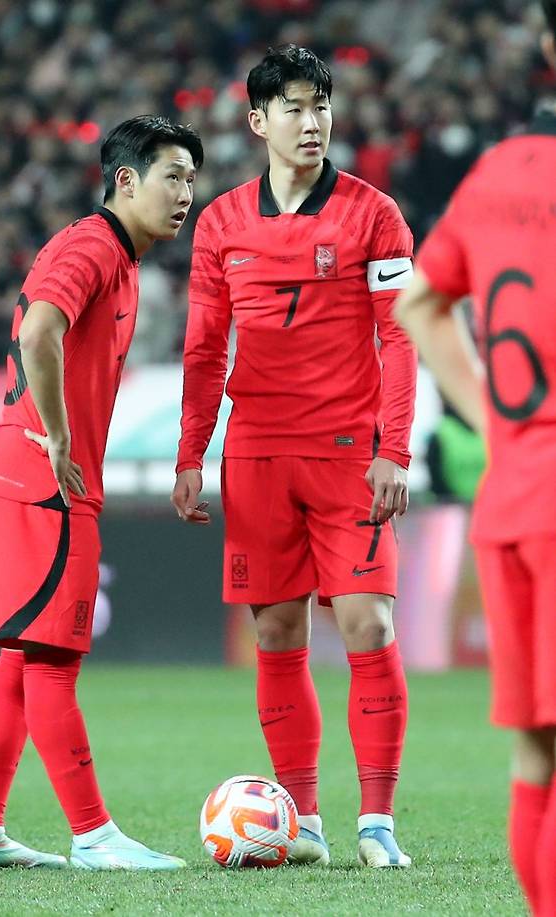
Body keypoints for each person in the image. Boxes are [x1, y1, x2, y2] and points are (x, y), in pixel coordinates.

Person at [171, 45, 417, 868]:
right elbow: (204, 349)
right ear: (258, 122)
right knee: (276, 632)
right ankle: (303, 819)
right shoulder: (221, 222)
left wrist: (395, 448)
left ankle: (377, 820)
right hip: (258, 453)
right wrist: (190, 453)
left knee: (367, 619)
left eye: (321, 106)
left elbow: (400, 333)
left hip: (351, 453)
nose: (312, 122)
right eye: (294, 108)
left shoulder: (374, 214)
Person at [0, 116, 203, 872]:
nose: (186, 193)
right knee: (53, 662)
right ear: (125, 180)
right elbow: (40, 333)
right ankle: (94, 834)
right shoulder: (93, 246)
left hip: (22, 475)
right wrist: (60, 436)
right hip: (45, 479)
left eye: (192, 178)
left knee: (21, 662)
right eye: (173, 177)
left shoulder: (117, 258)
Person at [396, 3, 556, 911]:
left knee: (537, 748)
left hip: (515, 493)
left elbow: (418, 303)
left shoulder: (497, 172)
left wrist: (497, 421)